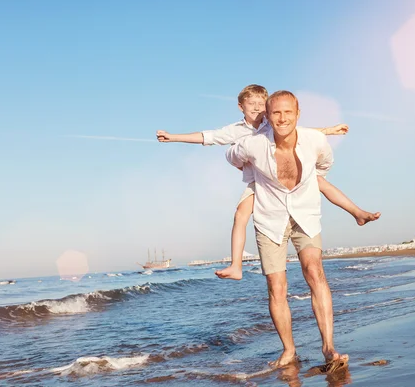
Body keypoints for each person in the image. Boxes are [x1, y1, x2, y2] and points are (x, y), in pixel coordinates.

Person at [157, 84, 379, 281]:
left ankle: (357, 212)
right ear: (240, 106)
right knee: (240, 215)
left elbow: (298, 131)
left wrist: (328, 131)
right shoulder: (235, 131)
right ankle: (236, 265)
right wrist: (173, 136)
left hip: (282, 178)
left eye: (260, 104)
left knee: (319, 181)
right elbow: (207, 137)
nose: (255, 108)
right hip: (259, 183)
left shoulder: (270, 123)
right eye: (250, 104)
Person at [226, 90, 348, 371]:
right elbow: (231, 155)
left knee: (314, 269)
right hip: (270, 219)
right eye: (276, 113)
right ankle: (289, 350)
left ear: (298, 113)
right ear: (268, 116)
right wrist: (253, 176)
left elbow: (325, 164)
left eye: (288, 112)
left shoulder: (315, 140)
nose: (282, 118)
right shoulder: (253, 144)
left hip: (304, 214)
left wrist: (306, 185)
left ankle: (329, 347)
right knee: (276, 286)